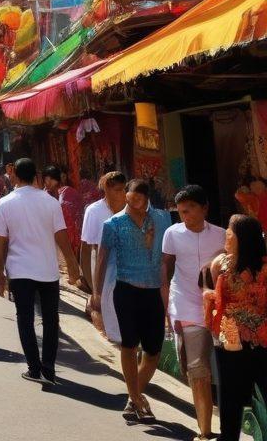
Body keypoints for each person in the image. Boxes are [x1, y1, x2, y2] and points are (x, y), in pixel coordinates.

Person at [0, 157, 82, 385]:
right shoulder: (50, 202)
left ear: (15, 176)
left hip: (20, 271)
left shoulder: (5, 203)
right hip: (47, 269)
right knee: (51, 320)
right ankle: (48, 368)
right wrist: (72, 265)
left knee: (25, 318)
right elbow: (61, 235)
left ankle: (34, 368)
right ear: (36, 177)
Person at [92, 178, 171, 421]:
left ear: (147, 199)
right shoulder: (113, 224)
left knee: (153, 350)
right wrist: (95, 294)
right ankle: (136, 398)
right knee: (128, 345)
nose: (136, 202)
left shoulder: (161, 219)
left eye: (141, 199)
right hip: (126, 290)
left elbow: (169, 255)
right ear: (126, 195)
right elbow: (103, 258)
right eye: (132, 197)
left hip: (153, 290)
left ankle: (133, 395)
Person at [162, 184, 225, 441]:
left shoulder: (222, 236)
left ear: (204, 208)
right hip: (185, 302)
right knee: (198, 366)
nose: (184, 217)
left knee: (219, 366)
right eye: (180, 212)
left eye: (189, 211)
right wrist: (166, 306)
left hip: (218, 307)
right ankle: (205, 431)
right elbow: (165, 271)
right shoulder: (172, 234)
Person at [205, 213, 267, 441]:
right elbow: (218, 298)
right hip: (230, 337)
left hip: (261, 339)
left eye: (230, 232)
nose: (226, 235)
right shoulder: (222, 264)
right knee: (230, 393)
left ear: (242, 237)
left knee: (260, 390)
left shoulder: (265, 268)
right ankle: (228, 436)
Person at [80, 171, 127, 342]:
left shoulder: (132, 208)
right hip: (103, 266)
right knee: (107, 312)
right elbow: (86, 248)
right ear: (106, 190)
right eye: (117, 190)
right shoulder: (94, 211)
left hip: (127, 268)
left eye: (123, 189)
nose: (122, 194)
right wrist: (91, 285)